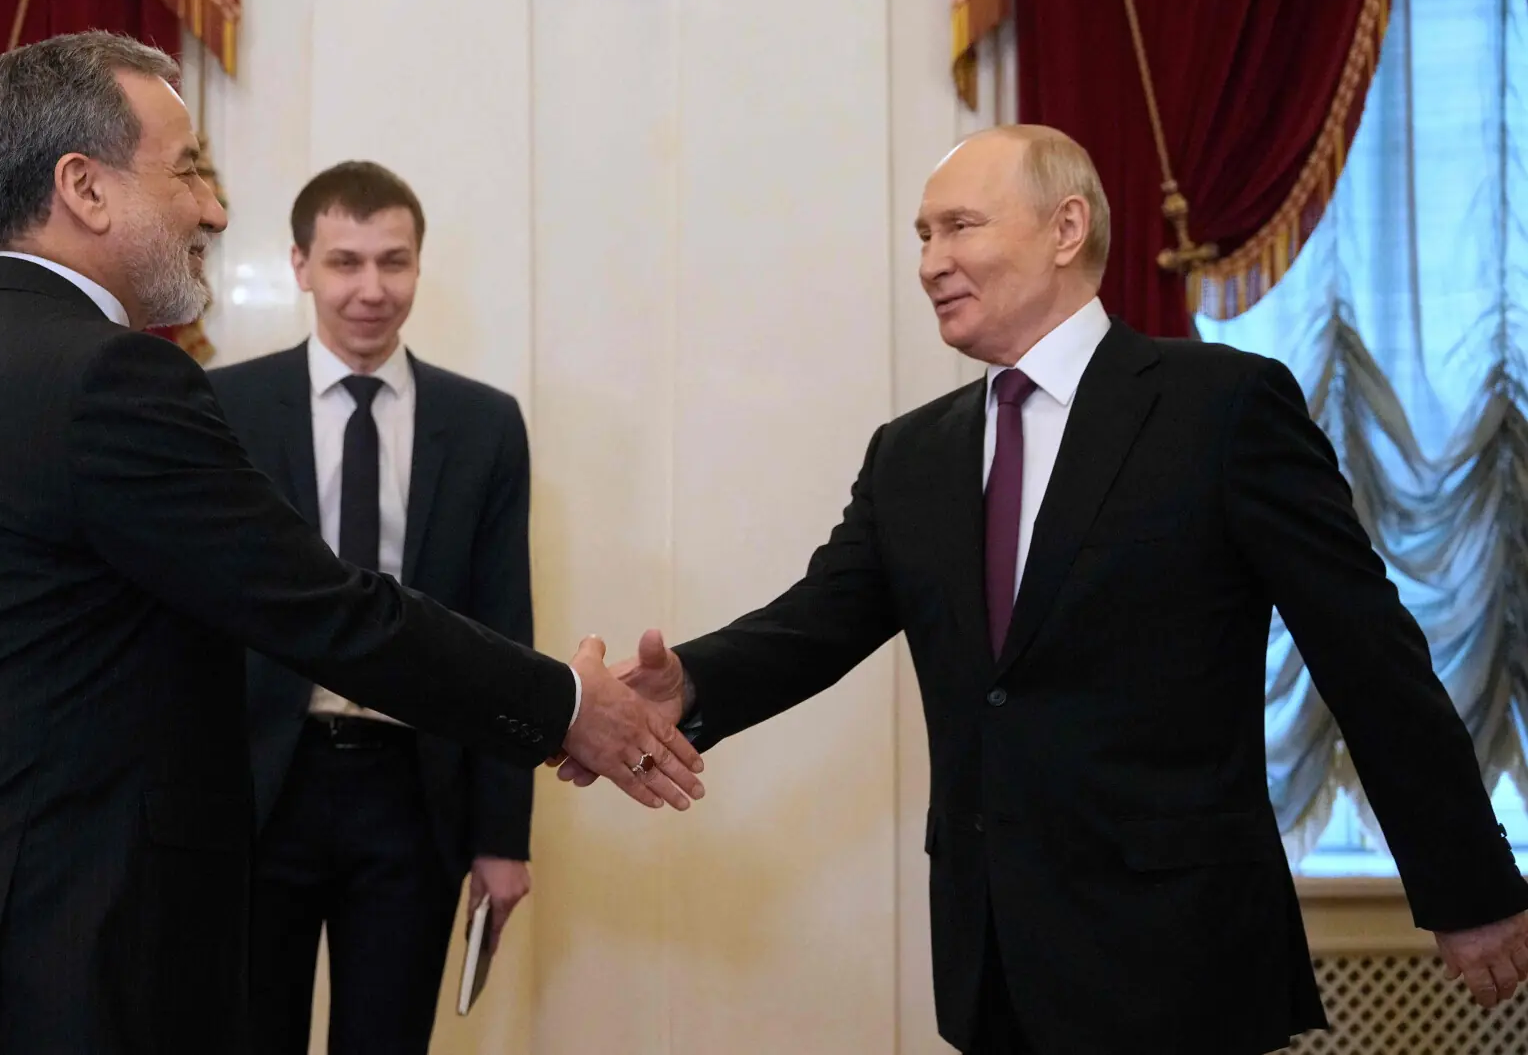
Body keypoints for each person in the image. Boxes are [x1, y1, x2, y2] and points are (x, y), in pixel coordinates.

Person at [564, 124, 1528, 1054]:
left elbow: (1368, 654)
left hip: (1176, 953)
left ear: (1067, 230)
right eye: (922, 235)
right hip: (995, 960)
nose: (930, 260)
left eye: (960, 227)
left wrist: (1467, 884)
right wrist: (686, 686)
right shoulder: (911, 454)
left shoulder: (1222, 408)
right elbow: (817, 622)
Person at [0, 32, 703, 1055]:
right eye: (185, 170)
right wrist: (567, 708)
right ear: (84, 188)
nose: (214, 211)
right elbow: (328, 609)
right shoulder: (106, 380)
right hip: (75, 947)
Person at [209, 161, 539, 1053]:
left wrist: (503, 835)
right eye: (345, 262)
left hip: (412, 795)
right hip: (256, 793)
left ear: (420, 267)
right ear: (299, 265)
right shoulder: (223, 409)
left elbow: (504, 629)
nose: (370, 289)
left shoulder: (484, 425)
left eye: (392, 262)